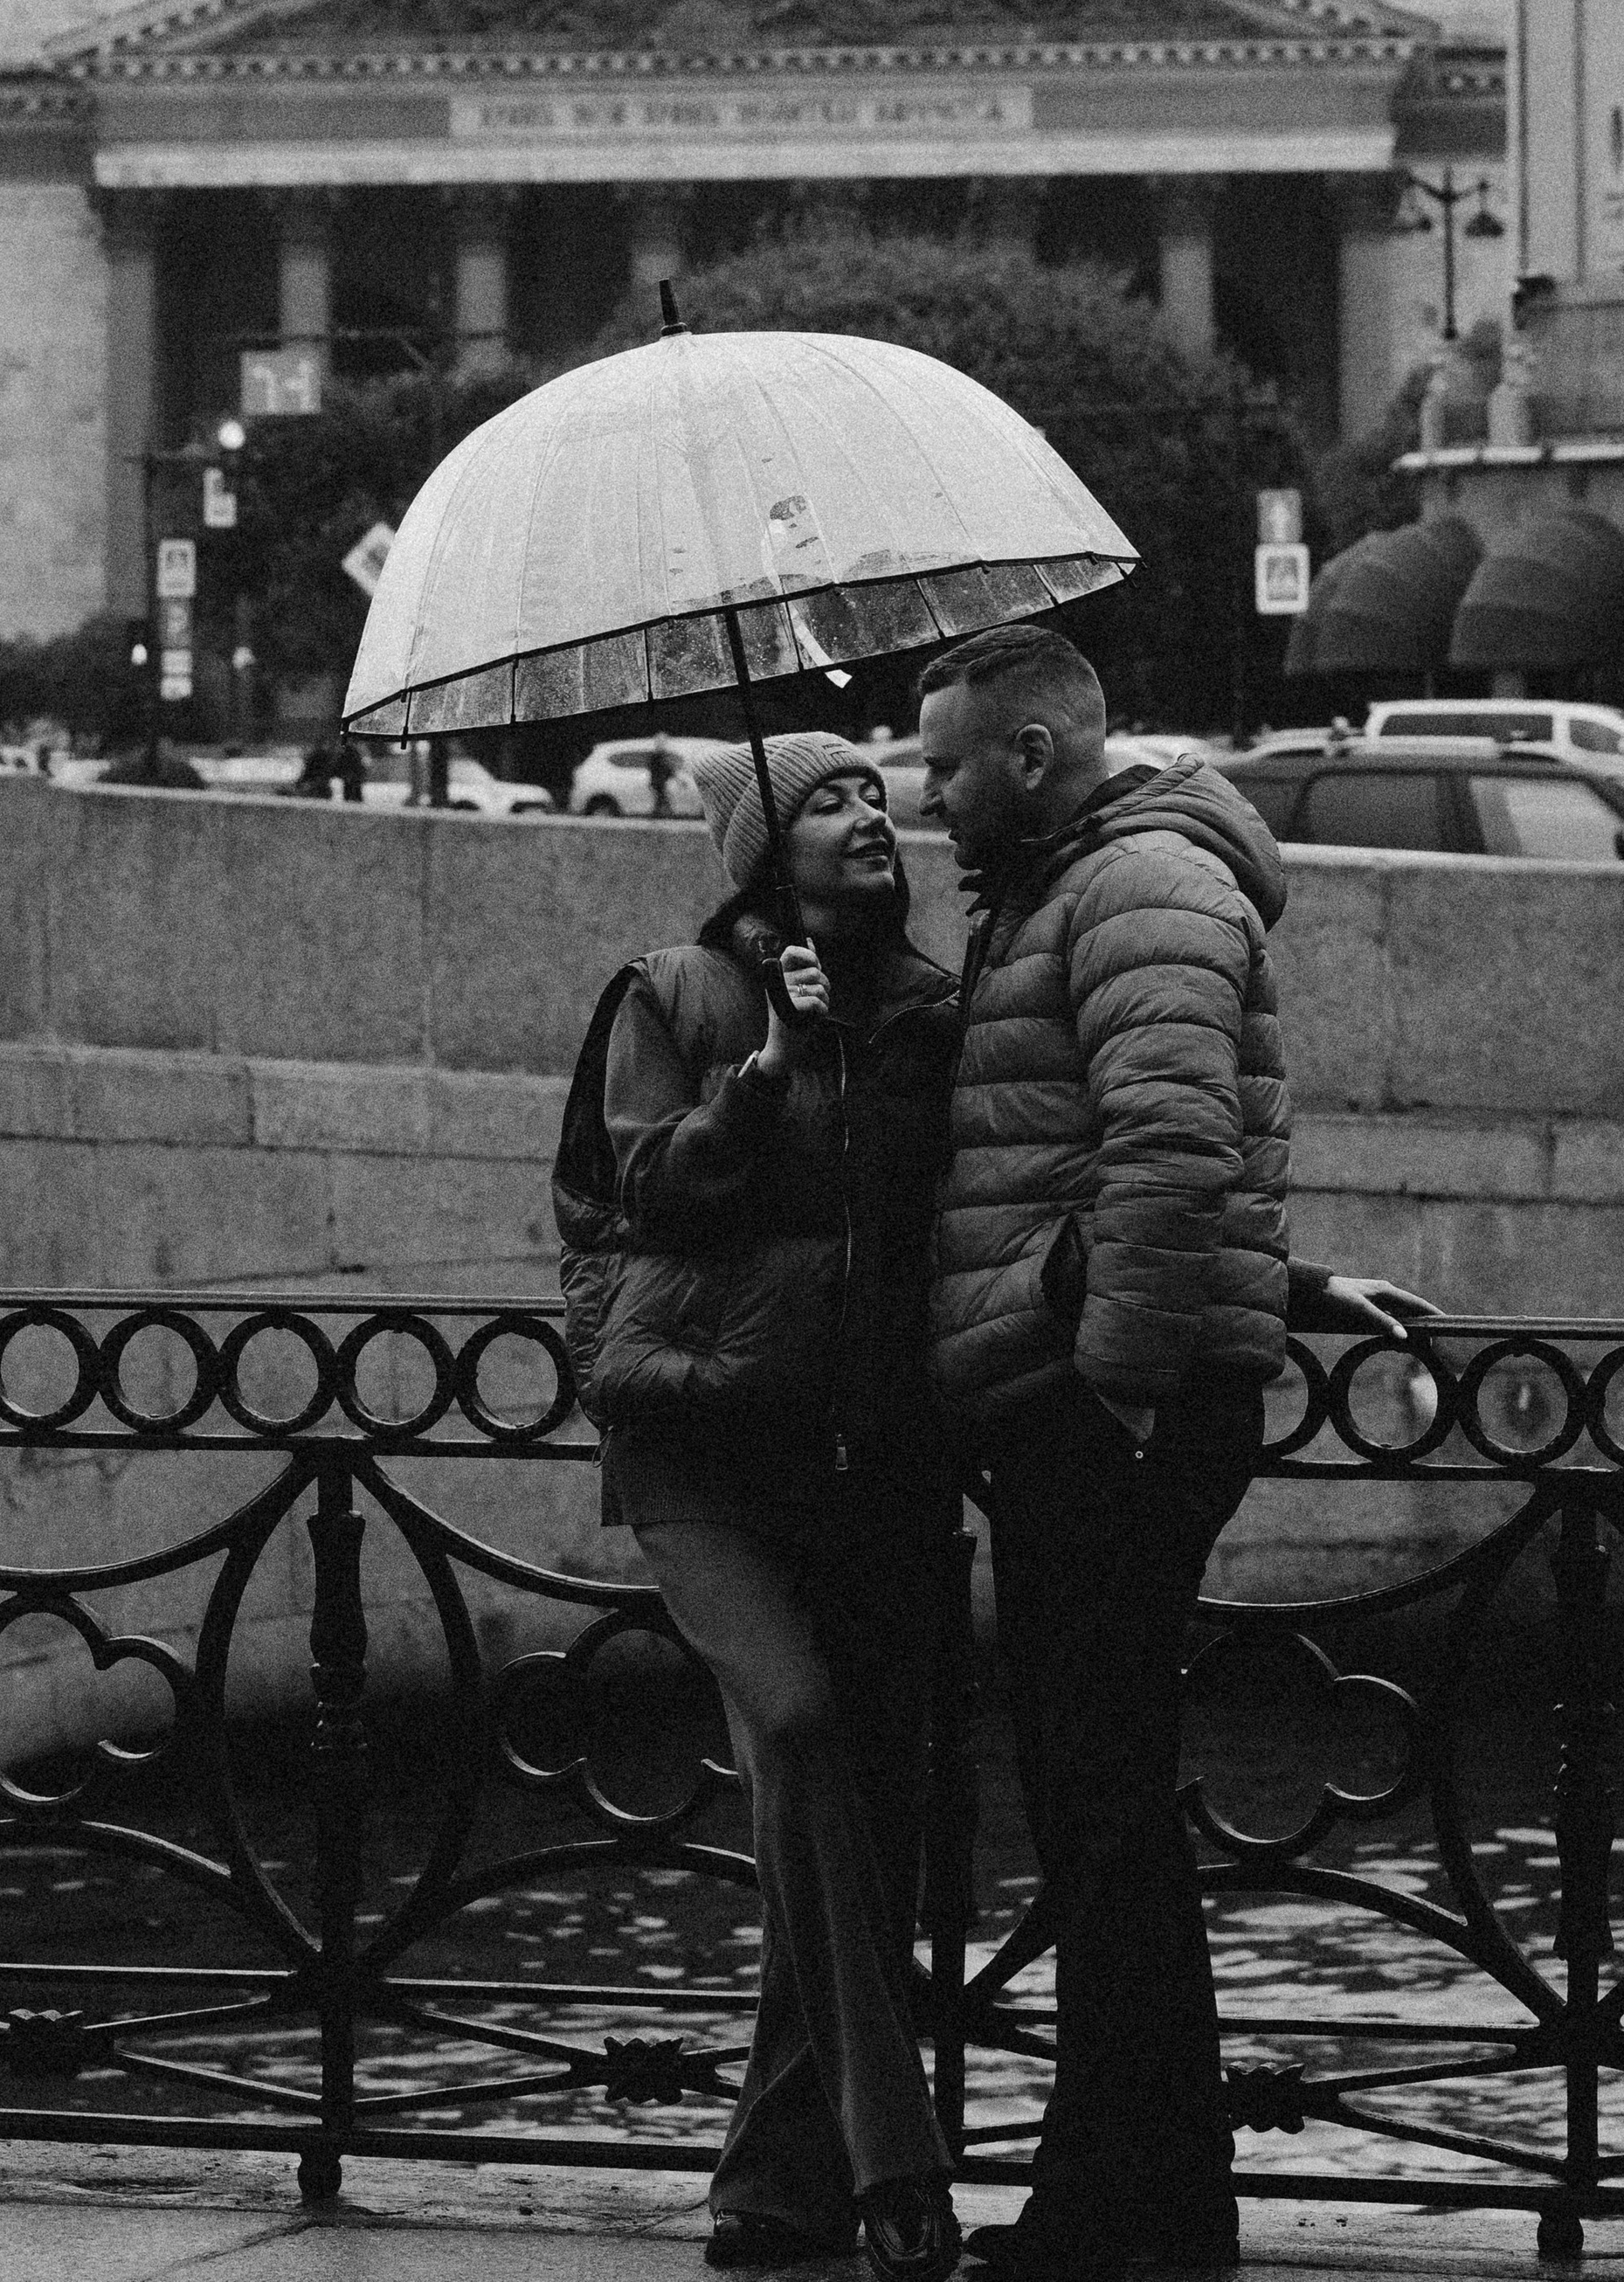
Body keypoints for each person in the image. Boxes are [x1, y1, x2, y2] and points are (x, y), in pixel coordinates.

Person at [916, 627, 1431, 2282]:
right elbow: (1093, 1154)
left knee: (1104, 1819)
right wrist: (1275, 1289)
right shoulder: (1082, 883)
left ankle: (1122, 2219)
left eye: (945, 767)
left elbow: (1168, 1143)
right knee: (1101, 1815)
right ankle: (1147, 2203)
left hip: (1109, 1416)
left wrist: (1114, 1391)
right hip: (1103, 1393)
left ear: (1035, 757)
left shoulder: (1135, 883)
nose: (928, 800)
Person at [559, 733, 966, 2282]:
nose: (869, 813)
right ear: (758, 851)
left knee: (839, 1815)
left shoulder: (934, 1013)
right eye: (825, 801)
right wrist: (772, 1081)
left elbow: (995, 1208)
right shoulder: (671, 991)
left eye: (875, 791)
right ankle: (894, 2161)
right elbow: (637, 1186)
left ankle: (765, 2191)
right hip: (697, 1457)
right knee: (795, 1733)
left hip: (870, 1461)